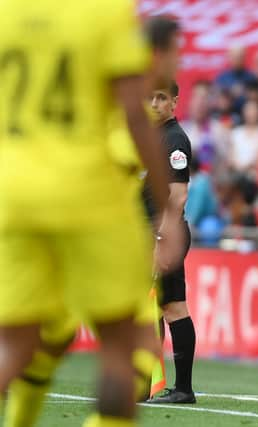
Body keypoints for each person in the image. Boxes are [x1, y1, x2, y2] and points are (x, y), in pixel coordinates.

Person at [0, 2, 185, 427]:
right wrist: (168, 217)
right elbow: (133, 121)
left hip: (14, 191)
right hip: (86, 198)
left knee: (15, 346)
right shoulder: (103, 11)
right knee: (128, 345)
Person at [144, 82, 197, 405]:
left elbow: (177, 197)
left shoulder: (174, 139)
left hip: (164, 233)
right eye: (149, 97)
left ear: (174, 102)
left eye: (161, 97)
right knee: (146, 309)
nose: (154, 103)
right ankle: (143, 384)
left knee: (172, 306)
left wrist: (161, 240)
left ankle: (184, 388)